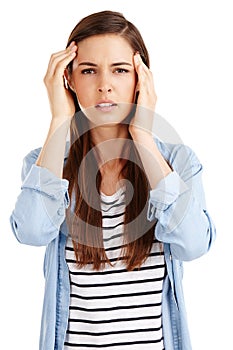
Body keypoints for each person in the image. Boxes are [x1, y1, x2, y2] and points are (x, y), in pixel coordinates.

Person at [10, 10, 216, 350]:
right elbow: (31, 231)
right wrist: (60, 118)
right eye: (88, 70)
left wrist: (144, 138)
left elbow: (192, 245)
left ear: (141, 79)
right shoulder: (45, 162)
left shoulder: (177, 163)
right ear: (69, 81)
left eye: (120, 70)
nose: (104, 84)